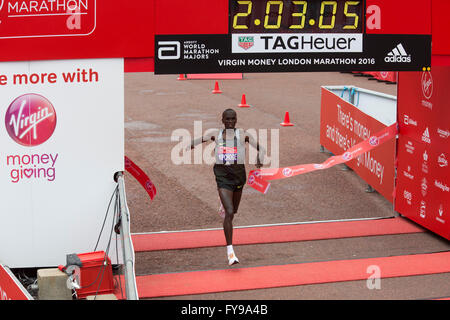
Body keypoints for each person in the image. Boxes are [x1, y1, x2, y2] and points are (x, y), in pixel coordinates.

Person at [188, 108, 263, 266]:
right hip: (222, 177)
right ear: (222, 120)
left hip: (238, 177)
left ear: (236, 120)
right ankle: (230, 252)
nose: (230, 122)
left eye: (232, 119)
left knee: (233, 211)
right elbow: (202, 138)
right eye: (227, 119)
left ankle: (225, 201)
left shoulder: (242, 136)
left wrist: (259, 157)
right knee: (229, 212)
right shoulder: (217, 134)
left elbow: (261, 148)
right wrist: (190, 144)